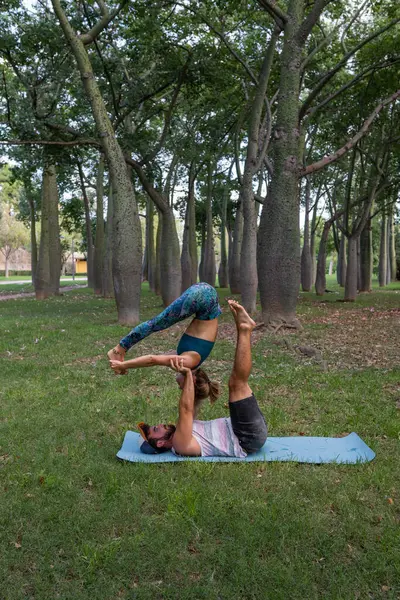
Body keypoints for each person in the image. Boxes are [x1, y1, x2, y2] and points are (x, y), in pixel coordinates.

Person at [137, 300, 268, 457]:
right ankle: (245, 329)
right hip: (246, 437)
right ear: (160, 443)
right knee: (236, 384)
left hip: (244, 428)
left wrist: (191, 377)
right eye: (156, 429)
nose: (159, 425)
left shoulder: (182, 431)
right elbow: (185, 409)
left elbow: (192, 403)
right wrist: (186, 374)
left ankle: (244, 329)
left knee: (237, 384)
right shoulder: (180, 444)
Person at [108, 282, 222, 412]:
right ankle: (119, 349)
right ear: (192, 382)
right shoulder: (190, 362)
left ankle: (120, 350)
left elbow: (158, 358)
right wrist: (123, 366)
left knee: (157, 324)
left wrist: (126, 364)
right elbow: (152, 360)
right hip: (204, 298)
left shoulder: (189, 361)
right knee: (155, 324)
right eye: (182, 388)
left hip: (205, 297)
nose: (178, 387)